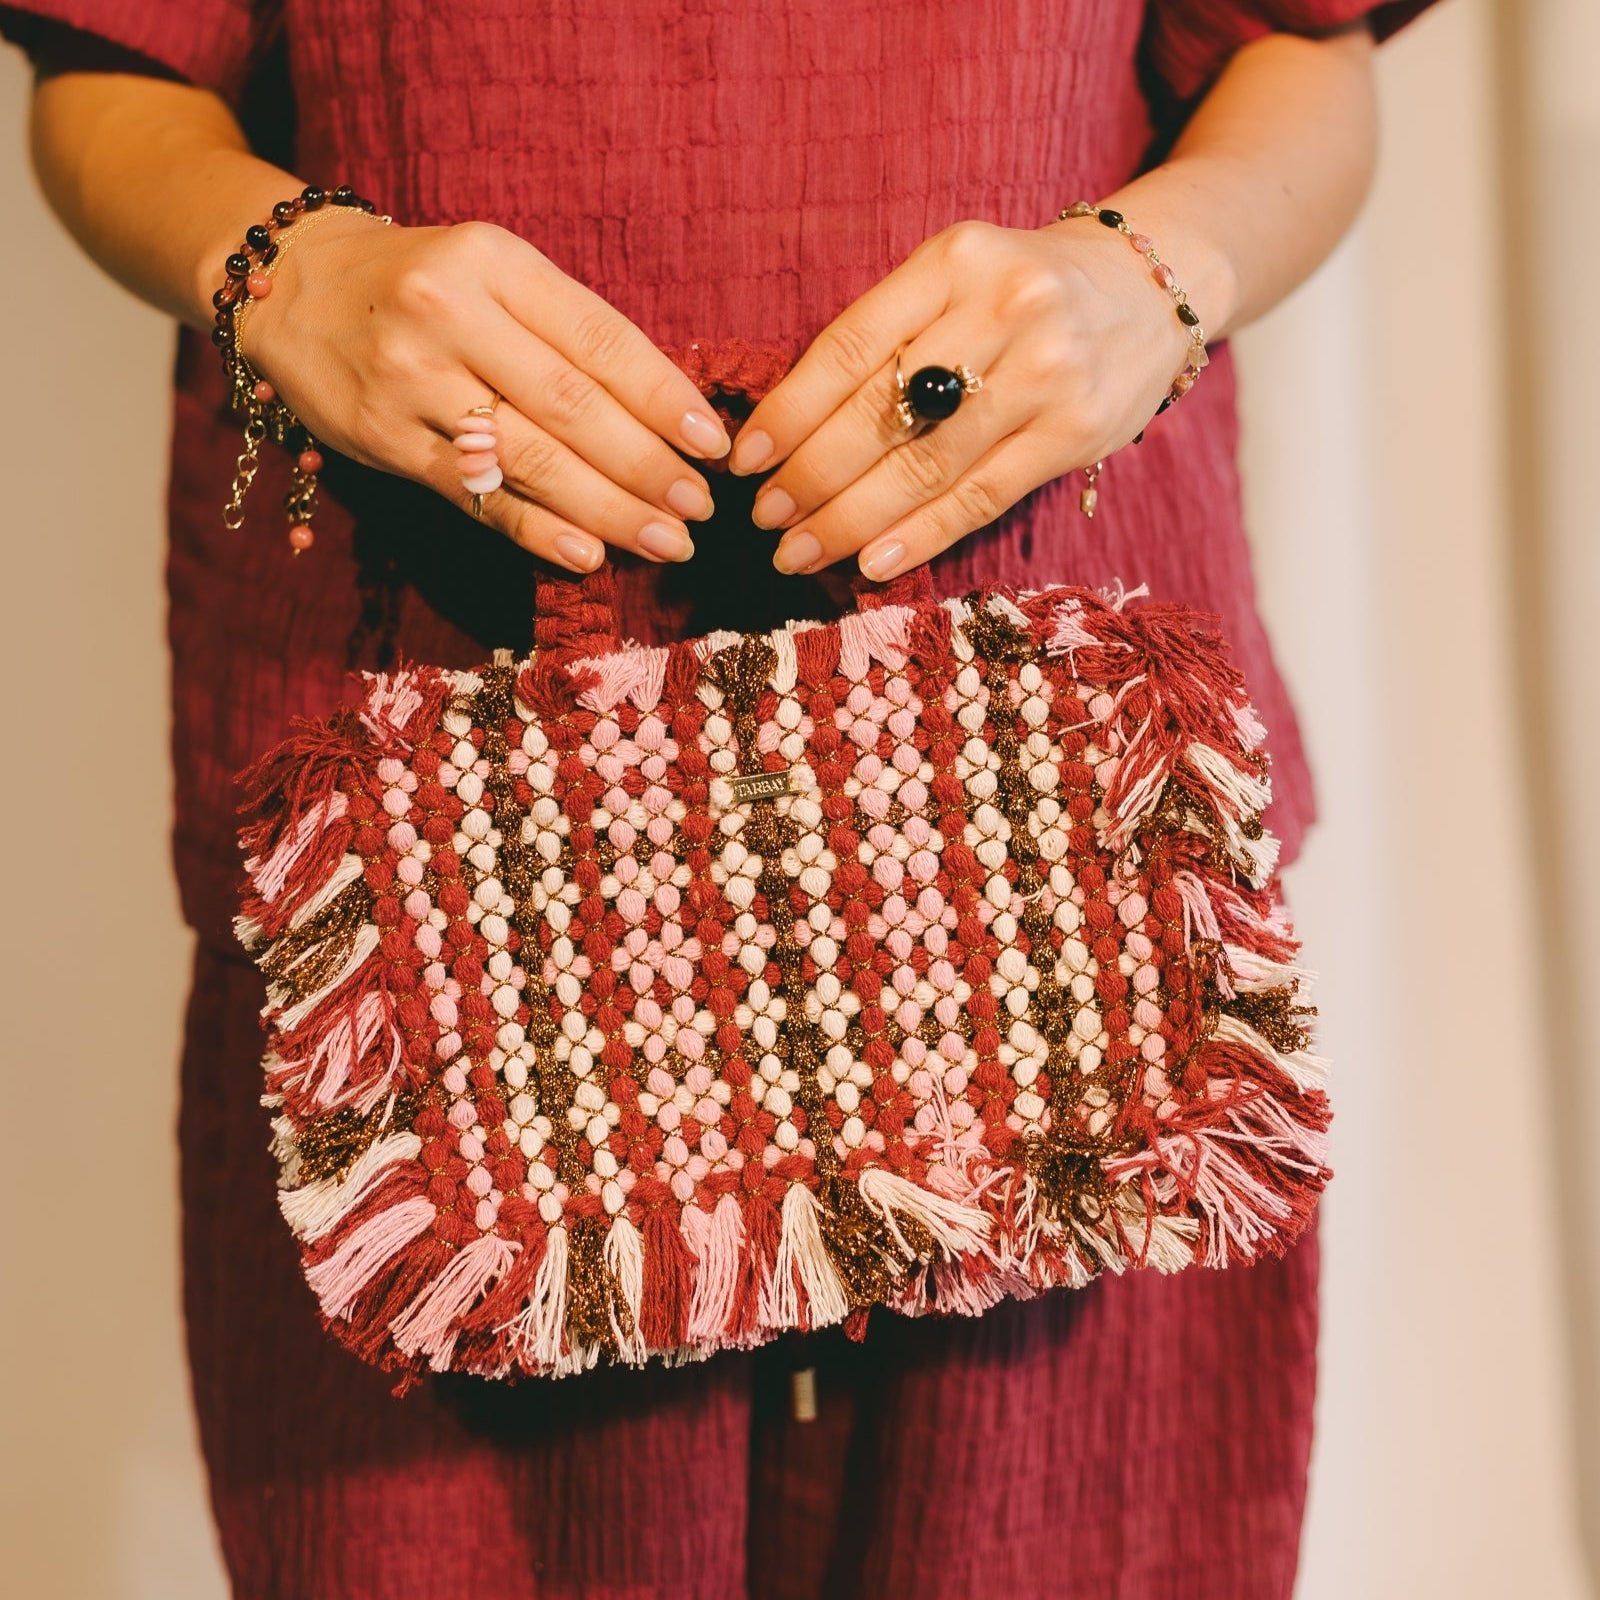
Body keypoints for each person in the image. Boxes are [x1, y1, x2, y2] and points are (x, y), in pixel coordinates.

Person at [0, 2, 1445, 1596]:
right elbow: (114, 81)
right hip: (454, 846)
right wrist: (286, 267)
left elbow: (1307, 49)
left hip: (1046, 818)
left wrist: (1152, 279)